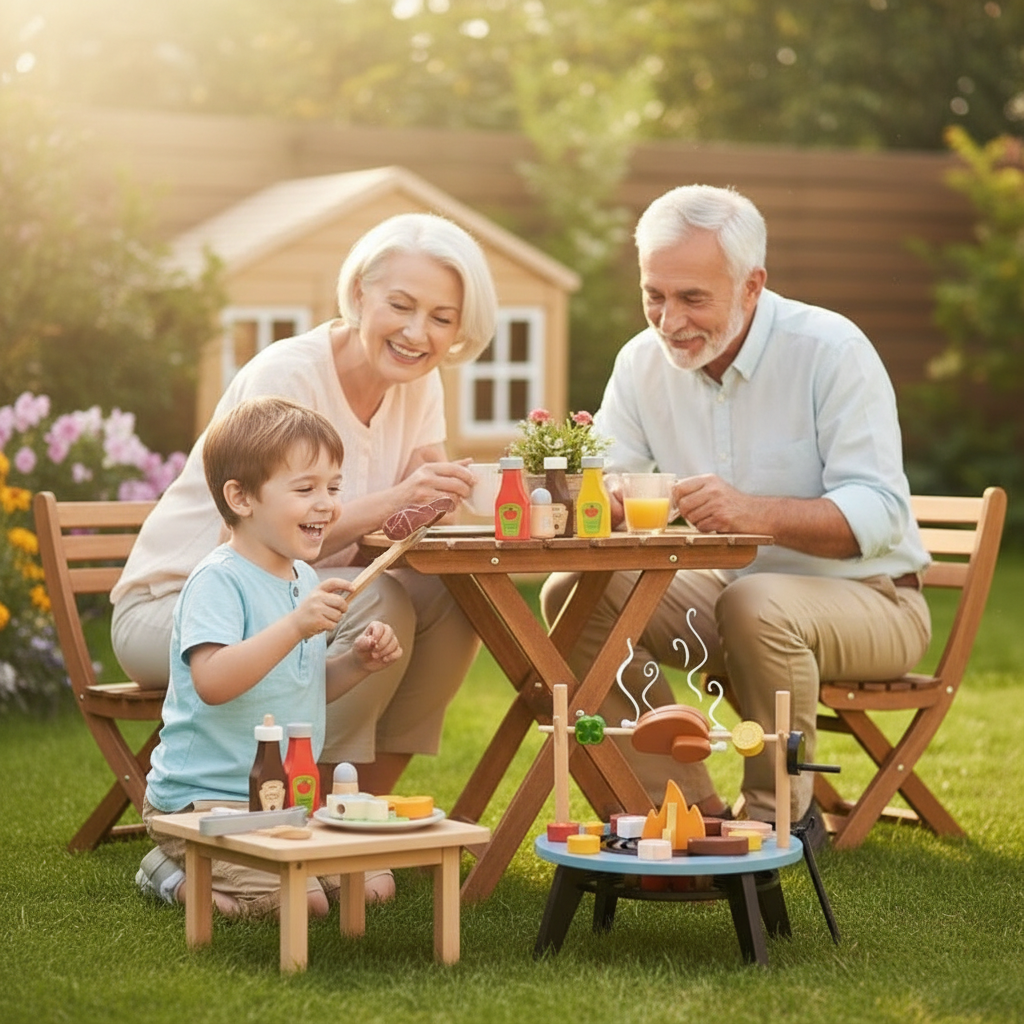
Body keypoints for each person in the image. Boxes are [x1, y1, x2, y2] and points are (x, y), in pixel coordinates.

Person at [541, 184, 931, 845]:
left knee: (755, 601)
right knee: (578, 592)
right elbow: (606, 481)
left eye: (692, 298)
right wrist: (589, 493)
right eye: (654, 295)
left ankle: (775, 817)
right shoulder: (640, 364)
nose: (668, 320)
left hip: (873, 600)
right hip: (730, 600)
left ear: (752, 286)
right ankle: (678, 808)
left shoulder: (830, 350)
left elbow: (881, 512)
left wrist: (753, 513)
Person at [112, 212, 498, 819]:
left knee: (458, 596)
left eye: (441, 318)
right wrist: (400, 498)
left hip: (292, 596)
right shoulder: (287, 375)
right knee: (377, 600)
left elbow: (425, 508)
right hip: (184, 608)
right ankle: (302, 799)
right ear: (360, 294)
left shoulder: (420, 383)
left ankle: (360, 798)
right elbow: (253, 537)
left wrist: (464, 493)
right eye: (400, 305)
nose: (417, 333)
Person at [136, 397, 402, 918]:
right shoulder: (219, 580)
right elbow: (212, 681)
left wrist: (357, 663)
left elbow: (298, 685)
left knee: (372, 888)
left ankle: (230, 876)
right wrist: (294, 626)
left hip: (282, 801)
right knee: (303, 908)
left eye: (333, 486)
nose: (326, 503)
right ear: (240, 497)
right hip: (207, 802)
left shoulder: (302, 577)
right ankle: (167, 872)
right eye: (305, 489)